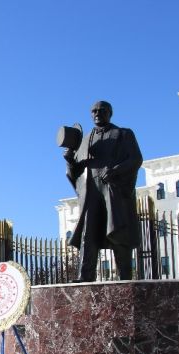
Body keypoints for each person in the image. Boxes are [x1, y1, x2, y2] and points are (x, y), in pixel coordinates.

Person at [64, 100, 143, 282]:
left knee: (118, 231)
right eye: (94, 111)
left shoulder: (123, 134)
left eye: (102, 110)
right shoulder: (84, 141)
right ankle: (85, 277)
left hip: (113, 190)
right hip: (91, 192)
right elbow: (76, 172)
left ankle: (125, 277)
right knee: (88, 233)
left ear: (110, 113)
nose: (97, 113)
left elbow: (136, 159)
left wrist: (116, 170)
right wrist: (69, 160)